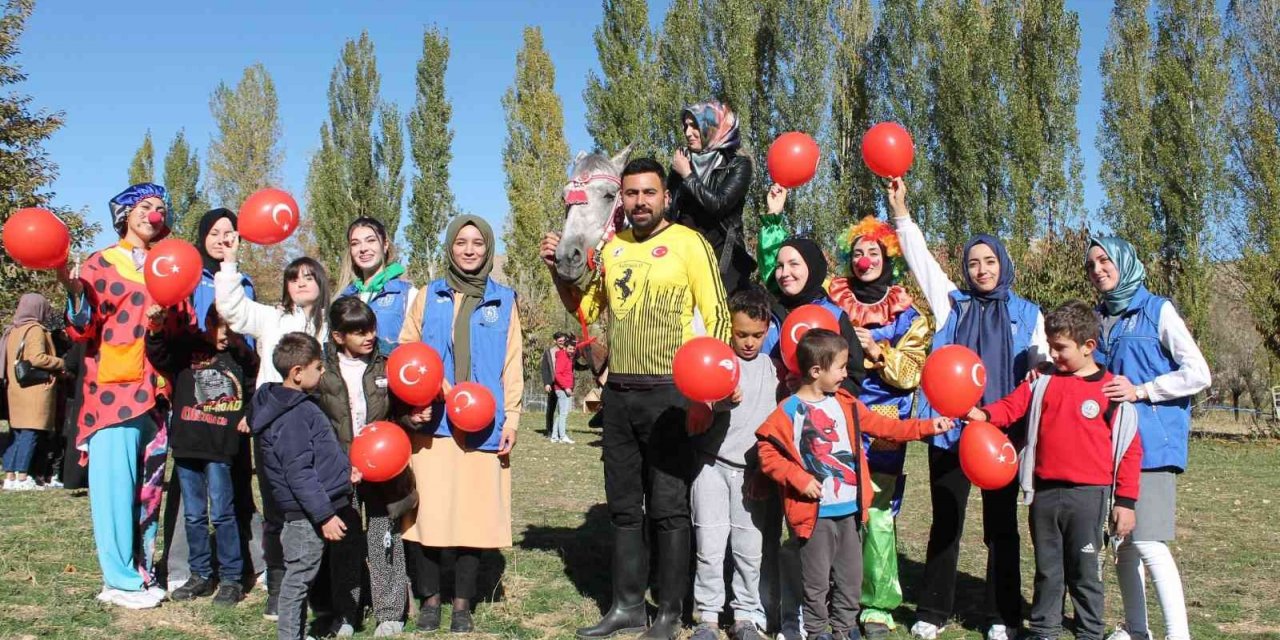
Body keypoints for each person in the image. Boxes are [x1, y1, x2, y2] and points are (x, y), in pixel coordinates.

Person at [541, 157, 731, 640]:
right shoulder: (614, 250)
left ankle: (667, 614)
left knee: (668, 510)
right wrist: (559, 274)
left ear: (665, 196)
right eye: (631, 194)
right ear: (621, 201)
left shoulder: (691, 244)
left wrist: (707, 396)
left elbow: (718, 321)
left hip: (671, 397)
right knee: (624, 508)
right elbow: (587, 309)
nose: (640, 201)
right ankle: (627, 607)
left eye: (649, 193)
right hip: (620, 397)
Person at [890, 179, 1048, 640]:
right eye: (974, 263)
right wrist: (901, 211)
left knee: (1001, 529)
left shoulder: (1027, 312)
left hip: (1001, 434)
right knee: (946, 522)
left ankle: (1002, 615)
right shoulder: (951, 304)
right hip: (949, 432)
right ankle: (933, 612)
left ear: (1004, 265)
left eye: (989, 261)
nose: (981, 270)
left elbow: (1041, 361)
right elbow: (920, 260)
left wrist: (1042, 369)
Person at [755, 329, 952, 640]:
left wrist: (927, 427)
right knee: (816, 581)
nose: (847, 374)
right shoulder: (788, 411)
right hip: (814, 517)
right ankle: (818, 631)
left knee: (850, 578)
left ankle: (844, 629)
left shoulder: (846, 404)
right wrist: (799, 478)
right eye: (842, 367)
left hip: (850, 513)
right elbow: (767, 453)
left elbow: (886, 427)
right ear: (816, 371)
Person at [966, 301, 1142, 640]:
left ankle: (1089, 630)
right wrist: (984, 416)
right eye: (1050, 346)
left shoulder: (1111, 392)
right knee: (1048, 569)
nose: (1053, 354)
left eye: (1060, 347)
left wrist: (1126, 501)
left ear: (1088, 346)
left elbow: (1130, 449)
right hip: (1044, 494)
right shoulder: (1042, 380)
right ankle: (1045, 629)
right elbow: (1011, 407)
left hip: (1089, 497)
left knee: (1085, 571)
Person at [56, 182, 190, 609]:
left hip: (156, 393)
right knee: (115, 488)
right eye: (145, 206)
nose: (154, 214)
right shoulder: (100, 264)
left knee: (148, 489)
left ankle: (142, 570)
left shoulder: (169, 265)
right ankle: (118, 579)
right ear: (126, 215)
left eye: (160, 207)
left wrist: (162, 324)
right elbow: (81, 330)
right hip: (112, 391)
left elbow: (180, 328)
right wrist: (75, 292)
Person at [398, 214, 522, 634]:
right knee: (426, 517)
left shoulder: (504, 300)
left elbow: (512, 364)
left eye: (478, 243)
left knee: (473, 517)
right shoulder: (428, 295)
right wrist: (419, 397)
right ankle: (430, 599)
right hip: (433, 427)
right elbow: (405, 350)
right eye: (461, 242)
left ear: (488, 249)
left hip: (483, 427)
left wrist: (514, 417)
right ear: (449, 246)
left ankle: (463, 604)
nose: (469, 250)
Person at [1084, 238, 1211, 640]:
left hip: (1152, 447)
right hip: (1110, 448)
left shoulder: (1159, 310)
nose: (1098, 269)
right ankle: (1138, 631)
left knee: (1150, 542)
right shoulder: (1097, 318)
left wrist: (1142, 390)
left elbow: (1198, 374)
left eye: (1105, 260)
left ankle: (1178, 635)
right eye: (1091, 265)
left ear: (1125, 262)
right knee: (1124, 544)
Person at [216, 236, 332, 619]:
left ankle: (318, 589)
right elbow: (232, 310)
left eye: (308, 277)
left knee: (319, 505)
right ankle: (279, 587)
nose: (301, 283)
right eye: (293, 277)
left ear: (321, 283)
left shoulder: (330, 324)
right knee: (279, 509)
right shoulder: (270, 318)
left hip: (321, 424)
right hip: (275, 428)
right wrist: (230, 263)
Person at [827, 217, 932, 639]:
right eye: (857, 253)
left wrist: (879, 349)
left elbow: (912, 373)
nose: (864, 260)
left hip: (886, 425)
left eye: (873, 252)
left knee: (878, 514)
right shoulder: (834, 303)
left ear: (888, 257)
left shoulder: (908, 313)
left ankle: (877, 606)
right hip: (836, 417)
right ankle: (836, 595)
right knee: (835, 508)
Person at [162, 206, 264, 595]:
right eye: (216, 232)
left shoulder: (245, 281)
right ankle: (189, 569)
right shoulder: (186, 276)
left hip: (228, 406)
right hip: (190, 402)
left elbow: (248, 346)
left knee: (233, 490)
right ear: (202, 236)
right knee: (191, 503)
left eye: (230, 232)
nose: (223, 238)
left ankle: (238, 570)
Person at [315, 297, 417, 637]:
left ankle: (390, 612)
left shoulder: (385, 365)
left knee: (384, 536)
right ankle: (346, 614)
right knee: (344, 543)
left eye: (371, 328)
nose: (369, 336)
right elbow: (317, 422)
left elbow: (399, 410)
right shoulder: (322, 371)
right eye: (359, 332)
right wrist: (335, 464)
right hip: (340, 471)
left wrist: (413, 417)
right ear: (339, 336)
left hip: (382, 470)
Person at [251, 332, 364, 640]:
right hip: (304, 517)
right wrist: (325, 515)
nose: (323, 371)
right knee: (298, 579)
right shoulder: (293, 415)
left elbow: (317, 458)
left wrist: (344, 473)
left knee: (303, 575)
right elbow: (299, 472)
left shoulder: (298, 405)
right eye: (318, 367)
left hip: (310, 509)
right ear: (297, 373)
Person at [145, 306, 258, 607]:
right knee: (194, 516)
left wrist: (248, 415)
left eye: (231, 327)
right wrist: (155, 330)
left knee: (223, 513)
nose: (225, 334)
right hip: (187, 446)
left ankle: (232, 577)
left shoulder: (241, 355)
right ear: (208, 324)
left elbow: (253, 386)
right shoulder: (187, 347)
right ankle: (200, 574)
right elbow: (159, 355)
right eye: (220, 327)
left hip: (221, 447)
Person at [687, 288, 779, 640]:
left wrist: (763, 470)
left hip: (751, 474)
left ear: (768, 328)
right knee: (709, 546)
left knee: (748, 549)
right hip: (710, 467)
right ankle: (707, 618)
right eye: (741, 334)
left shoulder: (773, 371)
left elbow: (776, 424)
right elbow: (698, 416)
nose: (749, 342)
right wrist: (719, 403)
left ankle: (745, 616)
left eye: (757, 335)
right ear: (728, 327)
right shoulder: (714, 364)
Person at [760, 185, 866, 393]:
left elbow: (853, 377)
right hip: (767, 418)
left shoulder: (834, 316)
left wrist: (812, 388)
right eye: (780, 266)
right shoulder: (766, 311)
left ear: (812, 269)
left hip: (816, 421)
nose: (785, 273)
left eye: (794, 264)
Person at [668, 100, 755, 295]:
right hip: (684, 258)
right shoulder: (682, 162)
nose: (688, 133)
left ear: (713, 127)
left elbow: (719, 204)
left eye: (695, 126)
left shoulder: (738, 164)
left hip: (722, 259)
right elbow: (669, 212)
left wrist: (688, 176)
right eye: (686, 126)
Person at [1, 293, 65, 491]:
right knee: (31, 432)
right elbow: (37, 358)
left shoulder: (13, 330)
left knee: (17, 432)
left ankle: (10, 476)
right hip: (34, 389)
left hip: (16, 389)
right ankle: (22, 477)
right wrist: (61, 362)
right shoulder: (35, 329)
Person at [336, 217, 417, 355]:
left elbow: (417, 346)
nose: (363, 249)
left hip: (388, 374)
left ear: (385, 245)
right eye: (355, 243)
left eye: (371, 240)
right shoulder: (344, 297)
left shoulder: (407, 294)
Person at [541, 332, 568, 438]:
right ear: (555, 341)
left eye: (564, 340)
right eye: (560, 341)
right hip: (552, 384)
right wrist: (546, 383)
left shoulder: (568, 351)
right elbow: (544, 369)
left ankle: (560, 431)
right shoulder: (549, 352)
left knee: (562, 410)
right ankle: (549, 430)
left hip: (564, 384)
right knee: (551, 408)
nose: (562, 342)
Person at [551, 340, 578, 444]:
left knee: (560, 413)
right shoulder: (562, 357)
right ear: (565, 348)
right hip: (562, 389)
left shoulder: (568, 357)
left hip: (564, 388)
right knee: (563, 413)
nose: (572, 351)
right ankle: (562, 436)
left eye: (573, 349)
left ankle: (554, 436)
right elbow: (557, 374)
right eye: (570, 349)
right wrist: (566, 387)